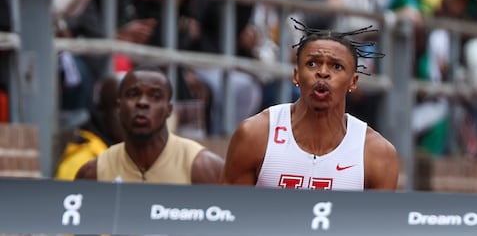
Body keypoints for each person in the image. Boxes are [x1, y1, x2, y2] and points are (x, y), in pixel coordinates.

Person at [221, 19, 399, 190]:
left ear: (353, 82)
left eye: (336, 66)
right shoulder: (256, 134)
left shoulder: (377, 153)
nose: (322, 72)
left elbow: (377, 221)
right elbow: (228, 215)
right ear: (296, 75)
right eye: (312, 64)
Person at [75, 68, 223, 184]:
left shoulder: (202, 167)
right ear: (119, 107)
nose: (142, 103)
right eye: (133, 94)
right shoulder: (94, 173)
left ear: (169, 109)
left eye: (155, 96)